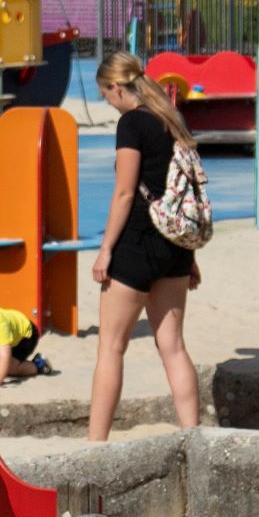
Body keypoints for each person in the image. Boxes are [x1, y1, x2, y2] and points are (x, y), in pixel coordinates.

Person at [88, 52, 203, 441]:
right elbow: (181, 189)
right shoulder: (172, 119)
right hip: (175, 246)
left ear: (116, 88)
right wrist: (191, 257)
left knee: (111, 347)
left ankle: (96, 443)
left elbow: (124, 193)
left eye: (106, 95)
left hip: (137, 243)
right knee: (173, 347)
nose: (108, 102)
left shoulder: (132, 124)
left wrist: (106, 250)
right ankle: (193, 435)